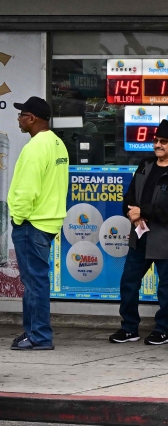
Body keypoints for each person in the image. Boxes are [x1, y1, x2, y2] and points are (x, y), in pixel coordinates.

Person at [109, 119, 168, 347]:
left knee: (165, 288)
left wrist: (141, 211)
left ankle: (164, 330)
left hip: (167, 239)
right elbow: (129, 196)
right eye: (156, 140)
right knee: (128, 282)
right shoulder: (145, 164)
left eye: (164, 142)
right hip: (141, 235)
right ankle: (129, 328)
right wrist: (131, 212)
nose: (158, 145)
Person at [8, 97, 68, 351]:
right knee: (36, 280)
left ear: (32, 118)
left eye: (22, 115)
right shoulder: (58, 144)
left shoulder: (35, 147)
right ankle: (32, 332)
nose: (19, 119)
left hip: (32, 223)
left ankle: (39, 336)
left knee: (35, 282)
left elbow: (26, 190)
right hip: (48, 222)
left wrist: (18, 217)